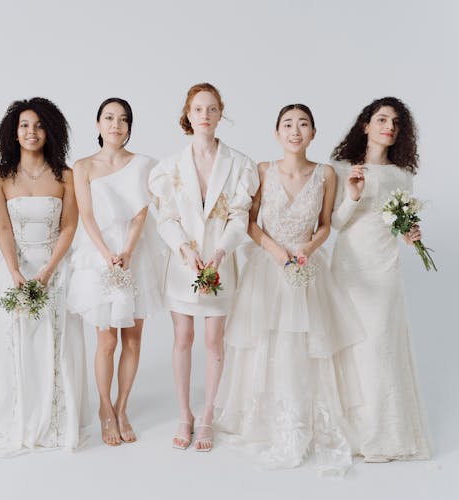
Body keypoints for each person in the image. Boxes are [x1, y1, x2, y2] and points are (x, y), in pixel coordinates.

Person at [214, 104, 364, 473]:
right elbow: (248, 223)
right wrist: (276, 252)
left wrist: (306, 250)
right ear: (277, 133)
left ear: (313, 133)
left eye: (303, 125)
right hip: (268, 266)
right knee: (267, 339)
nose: (295, 131)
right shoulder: (263, 171)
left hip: (305, 267)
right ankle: (266, 420)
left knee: (305, 344)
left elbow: (326, 224)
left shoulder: (326, 174)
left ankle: (303, 418)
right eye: (288, 124)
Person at [148, 83, 259, 451]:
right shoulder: (168, 168)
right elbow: (165, 218)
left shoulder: (240, 165)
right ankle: (185, 413)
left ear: (221, 113)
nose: (205, 115)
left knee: (214, 341)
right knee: (183, 339)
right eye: (198, 109)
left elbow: (240, 216)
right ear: (188, 114)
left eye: (212, 109)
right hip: (184, 266)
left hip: (219, 264)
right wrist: (183, 248)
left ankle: (208, 414)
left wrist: (222, 251)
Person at [0, 98, 88, 456]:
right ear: (13, 131)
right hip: (15, 271)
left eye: (39, 126)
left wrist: (48, 270)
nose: (31, 132)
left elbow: (70, 225)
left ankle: (56, 419)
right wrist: (15, 271)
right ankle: (16, 417)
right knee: (17, 343)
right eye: (25, 125)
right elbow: (2, 226)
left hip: (54, 270)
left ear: (51, 131)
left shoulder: (66, 175)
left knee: (54, 344)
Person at [330, 96, 432, 462]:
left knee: (379, 348)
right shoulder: (343, 168)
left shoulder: (402, 175)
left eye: (396, 122)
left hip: (384, 269)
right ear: (366, 125)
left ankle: (381, 434)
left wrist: (411, 233)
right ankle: (353, 434)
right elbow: (336, 224)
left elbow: (398, 224)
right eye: (382, 119)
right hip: (348, 268)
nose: (390, 126)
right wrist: (353, 195)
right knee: (351, 348)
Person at [68, 98, 162, 445]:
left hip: (134, 252)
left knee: (133, 339)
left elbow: (141, 213)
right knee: (106, 340)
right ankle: (105, 409)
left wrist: (127, 251)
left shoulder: (144, 165)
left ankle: (122, 407)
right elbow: (86, 215)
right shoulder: (82, 166)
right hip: (98, 254)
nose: (115, 125)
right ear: (98, 124)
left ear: (129, 127)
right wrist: (107, 253)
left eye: (123, 120)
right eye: (109, 118)